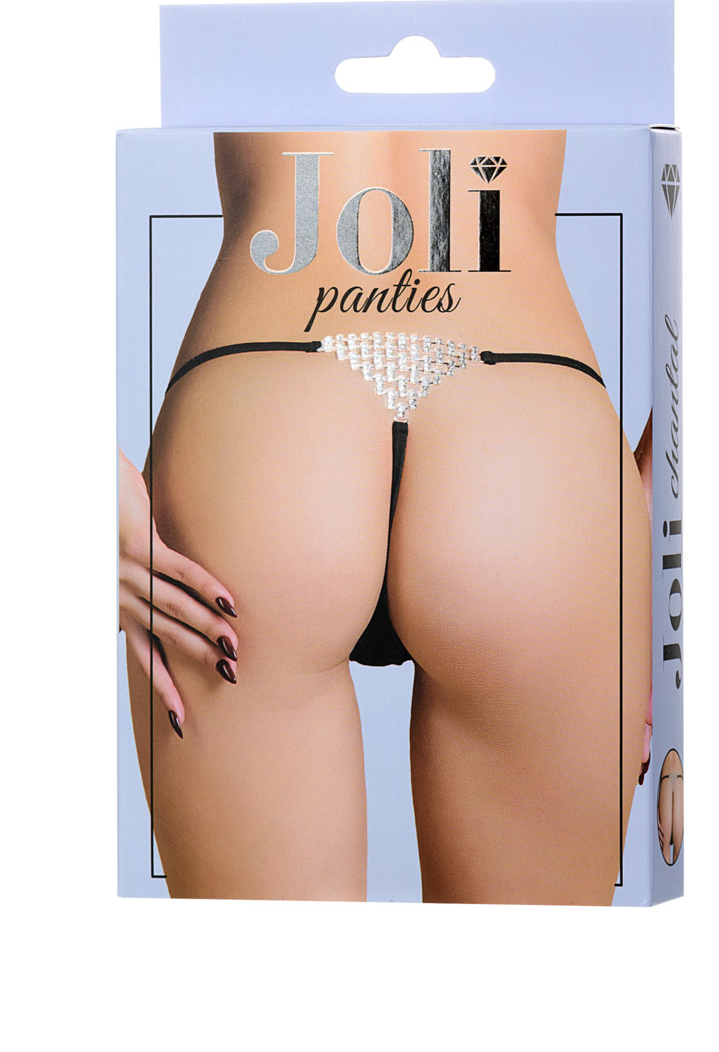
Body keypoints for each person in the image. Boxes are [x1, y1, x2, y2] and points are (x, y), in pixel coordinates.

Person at [119, 129, 652, 903]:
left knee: (263, 983)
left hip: (264, 409)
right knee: (525, 982)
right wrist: (656, 521)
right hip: (527, 427)